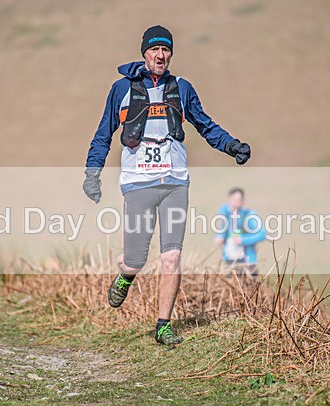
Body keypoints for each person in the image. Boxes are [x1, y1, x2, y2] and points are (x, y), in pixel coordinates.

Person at [82, 25, 251, 346]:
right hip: (137, 183)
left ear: (170, 54)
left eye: (166, 50)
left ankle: (163, 326)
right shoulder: (121, 89)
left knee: (171, 256)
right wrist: (93, 173)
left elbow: (205, 125)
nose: (161, 55)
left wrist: (232, 146)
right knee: (136, 259)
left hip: (175, 182)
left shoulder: (182, 88)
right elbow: (103, 134)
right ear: (144, 52)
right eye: (155, 50)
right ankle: (125, 275)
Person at [214, 188, 266, 276]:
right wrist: (220, 237)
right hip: (230, 261)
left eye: (237, 200)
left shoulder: (249, 216)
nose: (234, 203)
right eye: (232, 200)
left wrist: (243, 240)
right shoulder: (227, 215)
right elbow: (222, 232)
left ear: (242, 201)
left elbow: (262, 234)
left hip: (247, 262)